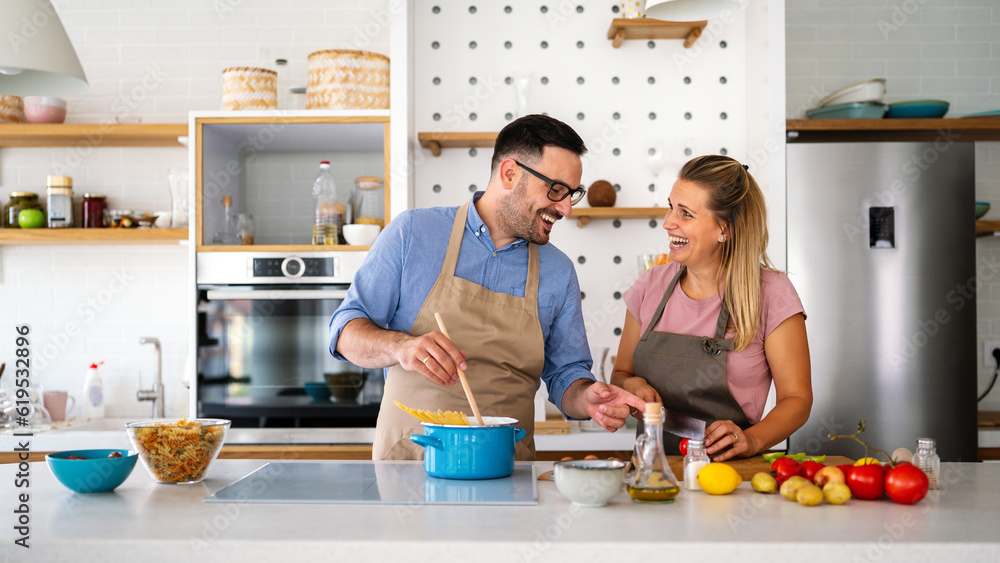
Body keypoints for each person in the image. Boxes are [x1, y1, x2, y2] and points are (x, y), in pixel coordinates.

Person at [330, 114, 646, 461]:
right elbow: (344, 333)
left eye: (572, 194)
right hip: (411, 463)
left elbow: (566, 374)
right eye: (556, 190)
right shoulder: (413, 234)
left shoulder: (559, 272)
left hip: (506, 468)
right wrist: (401, 347)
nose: (566, 208)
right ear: (510, 173)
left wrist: (588, 399)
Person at [610, 155, 812, 462]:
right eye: (670, 207)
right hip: (653, 472)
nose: (668, 222)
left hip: (729, 478)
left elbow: (796, 399)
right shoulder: (650, 285)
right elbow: (621, 373)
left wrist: (752, 439)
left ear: (725, 229)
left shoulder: (772, 295)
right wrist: (632, 384)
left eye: (686, 214)